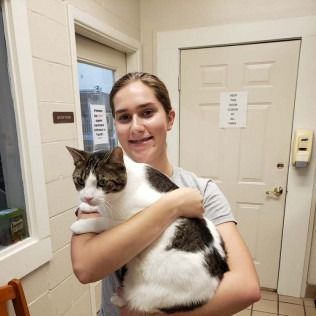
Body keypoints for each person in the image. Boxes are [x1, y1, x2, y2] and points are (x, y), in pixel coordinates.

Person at [71, 72, 261, 316]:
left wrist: (150, 315)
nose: (136, 126)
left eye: (147, 113)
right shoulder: (101, 190)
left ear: (169, 119)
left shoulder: (202, 190)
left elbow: (247, 288)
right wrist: (172, 205)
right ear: (115, 125)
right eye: (124, 117)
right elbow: (86, 268)